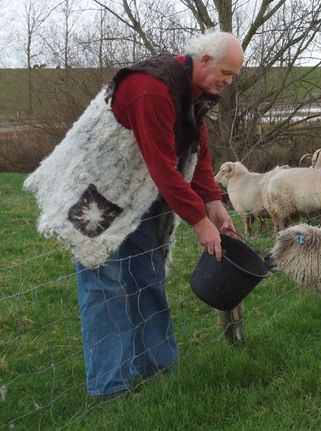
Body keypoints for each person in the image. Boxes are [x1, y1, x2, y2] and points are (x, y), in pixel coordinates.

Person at [23, 30, 244, 396]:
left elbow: (195, 150)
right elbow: (162, 165)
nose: (229, 81)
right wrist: (198, 221)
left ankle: (158, 367)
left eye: (233, 76)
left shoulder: (195, 93)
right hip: (96, 188)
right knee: (103, 282)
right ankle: (110, 386)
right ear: (204, 61)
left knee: (148, 272)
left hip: (143, 192)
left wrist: (213, 202)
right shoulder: (151, 89)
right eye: (226, 73)